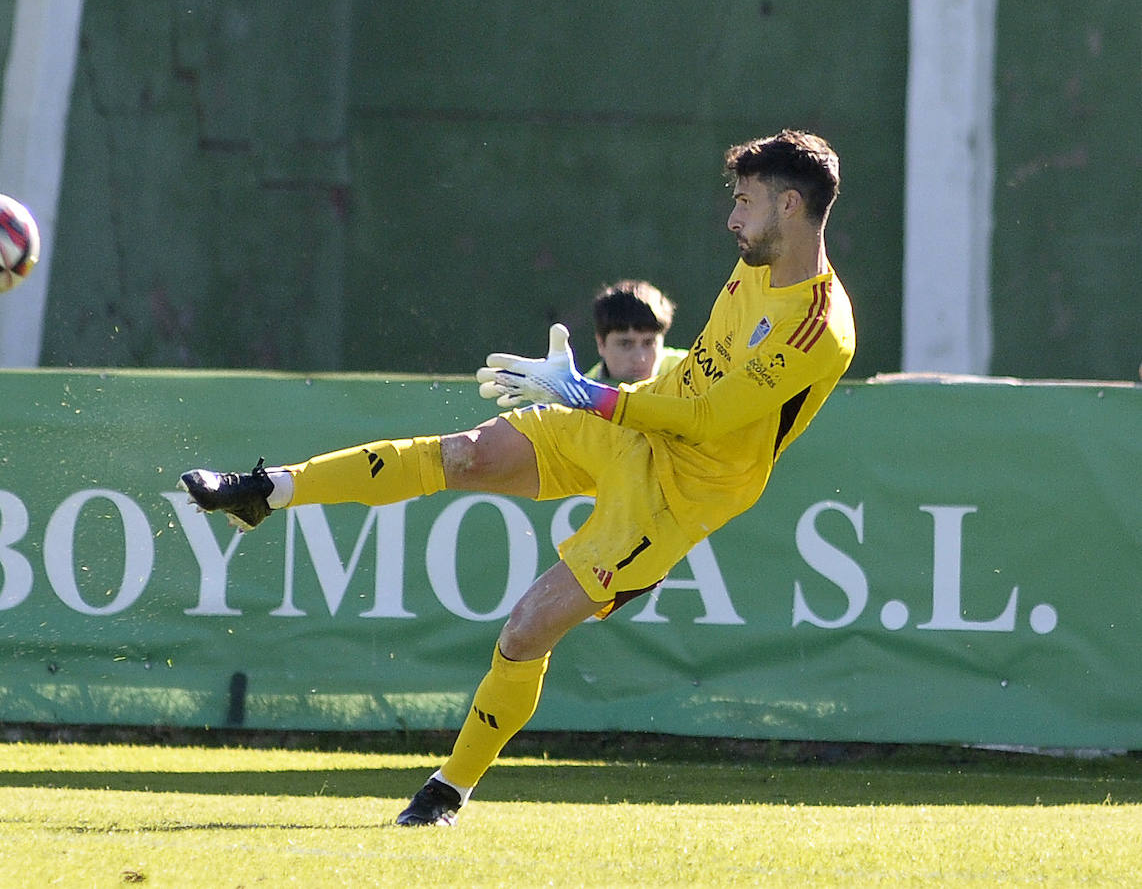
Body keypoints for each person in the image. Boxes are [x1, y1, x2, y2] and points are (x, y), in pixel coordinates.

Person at [180, 129, 855, 826]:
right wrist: (596, 394)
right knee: (465, 452)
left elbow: (711, 418)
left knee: (526, 630)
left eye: (744, 203)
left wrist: (585, 394)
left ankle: (447, 789)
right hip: (635, 424)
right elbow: (699, 374)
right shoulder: (756, 260)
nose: (732, 219)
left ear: (792, 205)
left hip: (678, 494)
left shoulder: (817, 328)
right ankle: (267, 491)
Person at [582, 279, 688, 383]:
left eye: (649, 343)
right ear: (601, 344)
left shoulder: (694, 371)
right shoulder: (583, 396)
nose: (640, 358)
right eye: (625, 344)